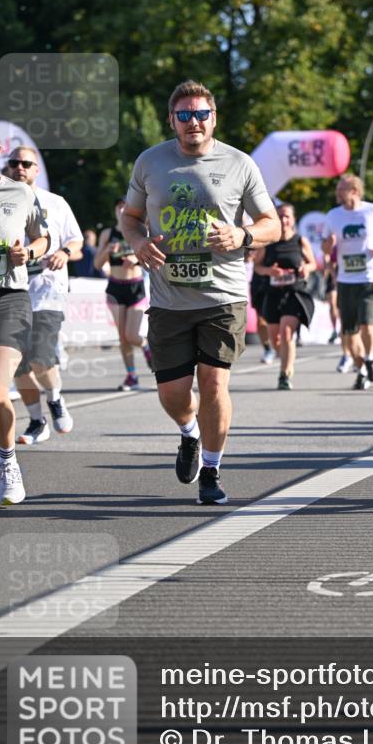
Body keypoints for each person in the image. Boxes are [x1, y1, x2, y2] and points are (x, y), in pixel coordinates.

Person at [119, 79, 280, 505]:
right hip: (169, 299)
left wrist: (242, 235)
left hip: (221, 297)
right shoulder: (150, 162)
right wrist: (137, 243)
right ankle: (189, 433)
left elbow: (272, 223)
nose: (194, 122)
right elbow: (130, 216)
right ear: (172, 120)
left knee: (212, 383)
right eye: (185, 115)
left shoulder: (239, 164)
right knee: (173, 395)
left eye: (201, 114)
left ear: (213, 118)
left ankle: (211, 468)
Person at [0, 118, 49, 507]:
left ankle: (10, 464)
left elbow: (42, 237)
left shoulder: (19, 192)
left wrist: (29, 253)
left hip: (8, 298)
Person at [7, 146, 83, 443]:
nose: (20, 168)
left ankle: (54, 398)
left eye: (26, 163)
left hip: (47, 290)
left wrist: (64, 252)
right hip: (10, 290)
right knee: (16, 363)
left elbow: (75, 241)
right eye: (14, 163)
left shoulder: (56, 202)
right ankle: (37, 421)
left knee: (39, 358)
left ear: (36, 169)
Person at [322, 174, 373, 391]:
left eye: (341, 189)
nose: (337, 193)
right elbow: (326, 248)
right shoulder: (333, 216)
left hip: (370, 276)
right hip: (345, 279)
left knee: (366, 321)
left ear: (354, 190)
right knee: (349, 331)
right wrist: (329, 243)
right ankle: (363, 367)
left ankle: (371, 357)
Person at [253, 203, 316, 389]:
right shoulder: (268, 243)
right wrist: (269, 272)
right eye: (280, 216)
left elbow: (313, 264)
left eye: (287, 216)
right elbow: (257, 267)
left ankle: (284, 374)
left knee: (286, 332)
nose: (283, 219)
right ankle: (286, 360)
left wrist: (306, 268)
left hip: (294, 292)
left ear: (293, 219)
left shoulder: (300, 241)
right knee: (275, 338)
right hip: (273, 293)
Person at [95, 199, 153, 390]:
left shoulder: (140, 231)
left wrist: (135, 260)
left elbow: (151, 257)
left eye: (125, 207)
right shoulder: (107, 233)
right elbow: (97, 264)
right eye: (118, 207)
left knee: (132, 335)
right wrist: (107, 250)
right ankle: (131, 376)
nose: (121, 209)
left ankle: (145, 346)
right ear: (115, 211)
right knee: (122, 337)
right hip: (115, 287)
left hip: (135, 286)